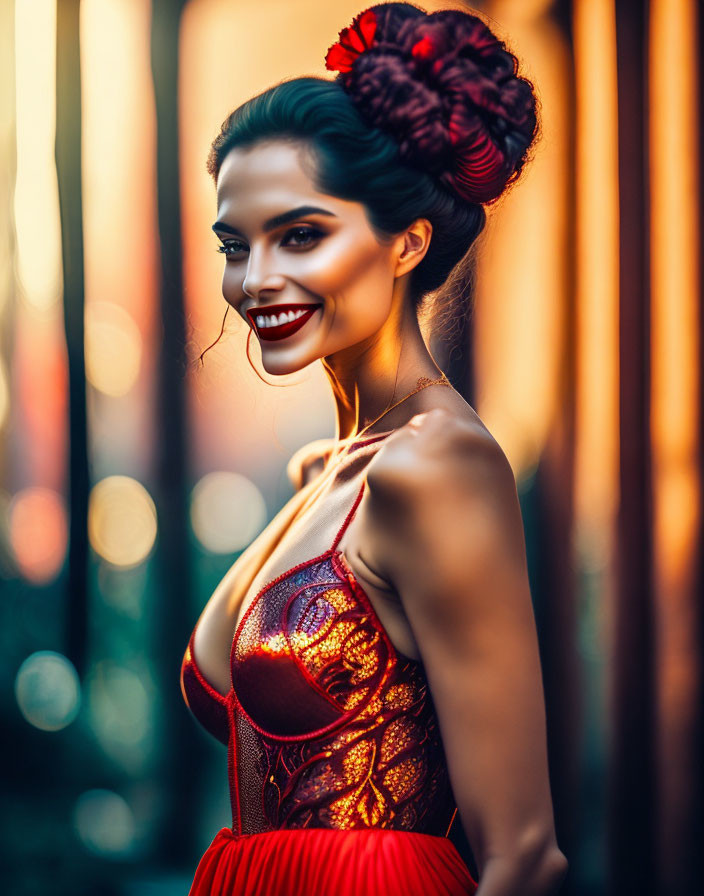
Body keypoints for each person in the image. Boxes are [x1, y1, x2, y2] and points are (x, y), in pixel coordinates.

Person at [180, 4, 568, 894]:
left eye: (302, 235)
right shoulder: (330, 474)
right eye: (237, 245)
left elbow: (523, 854)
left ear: (407, 242)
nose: (256, 280)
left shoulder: (438, 470)